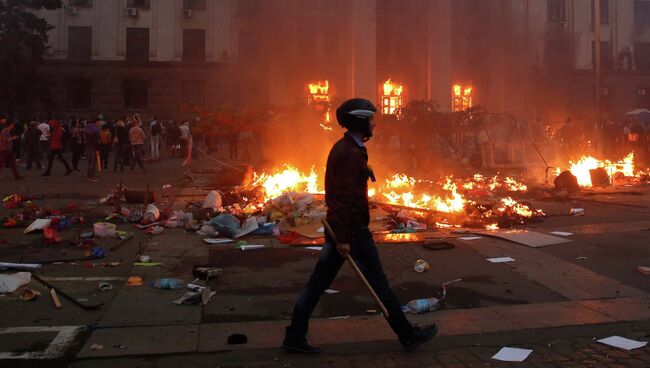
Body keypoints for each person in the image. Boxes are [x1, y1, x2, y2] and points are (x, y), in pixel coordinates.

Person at [282, 98, 437, 354]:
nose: (374, 124)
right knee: (378, 283)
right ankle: (407, 335)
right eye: (371, 119)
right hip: (352, 232)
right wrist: (344, 238)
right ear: (361, 121)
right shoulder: (350, 154)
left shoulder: (347, 148)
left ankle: (295, 335)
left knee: (319, 283)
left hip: (343, 230)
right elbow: (344, 199)